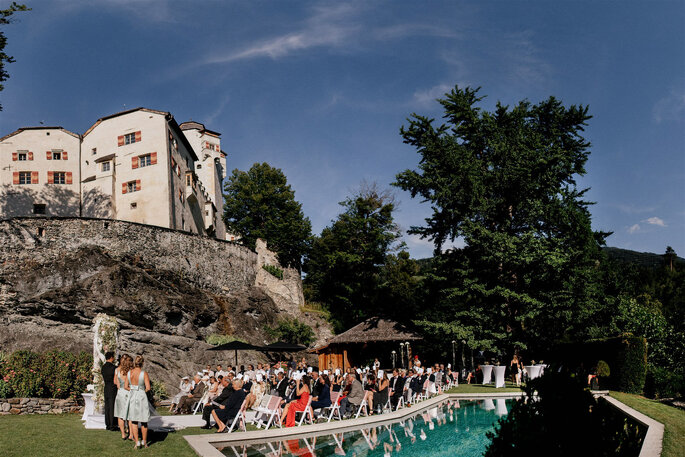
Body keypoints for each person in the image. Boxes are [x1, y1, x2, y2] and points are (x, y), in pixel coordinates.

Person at [126, 355, 151, 449]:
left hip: (132, 396)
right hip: (141, 396)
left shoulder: (129, 373)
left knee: (134, 420)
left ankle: (137, 442)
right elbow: (148, 388)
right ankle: (144, 442)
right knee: (144, 421)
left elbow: (125, 386)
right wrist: (141, 391)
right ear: (142, 363)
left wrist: (132, 389)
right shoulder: (144, 373)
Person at [114, 354, 133, 440]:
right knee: (130, 415)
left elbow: (116, 384)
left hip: (120, 393)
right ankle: (131, 434)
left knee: (120, 415)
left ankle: (123, 434)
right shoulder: (131, 371)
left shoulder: (117, 371)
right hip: (129, 392)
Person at [101, 352, 117, 431]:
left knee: (107, 406)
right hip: (112, 388)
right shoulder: (114, 368)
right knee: (112, 406)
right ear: (111, 357)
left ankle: (107, 424)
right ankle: (112, 424)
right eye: (113, 357)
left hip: (106, 387)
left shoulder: (103, 367)